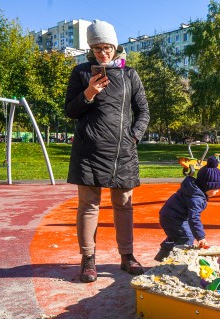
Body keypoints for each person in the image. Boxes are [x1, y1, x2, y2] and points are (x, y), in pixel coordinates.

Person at [65, 20, 150, 283]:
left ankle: (127, 256)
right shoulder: (80, 73)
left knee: (124, 206)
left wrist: (133, 137)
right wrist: (89, 92)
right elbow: (70, 111)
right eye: (98, 48)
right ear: (91, 49)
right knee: (89, 206)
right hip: (88, 152)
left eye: (108, 47)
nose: (104, 53)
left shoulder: (129, 75)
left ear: (115, 46)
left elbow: (143, 111)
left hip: (122, 152)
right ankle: (88, 259)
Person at [155, 156, 220, 261]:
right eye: (216, 189)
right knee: (186, 238)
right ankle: (177, 262)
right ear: (207, 187)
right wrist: (201, 237)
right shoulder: (196, 198)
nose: (217, 191)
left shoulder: (194, 190)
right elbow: (194, 218)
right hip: (173, 218)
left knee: (176, 236)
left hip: (170, 215)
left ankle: (162, 257)